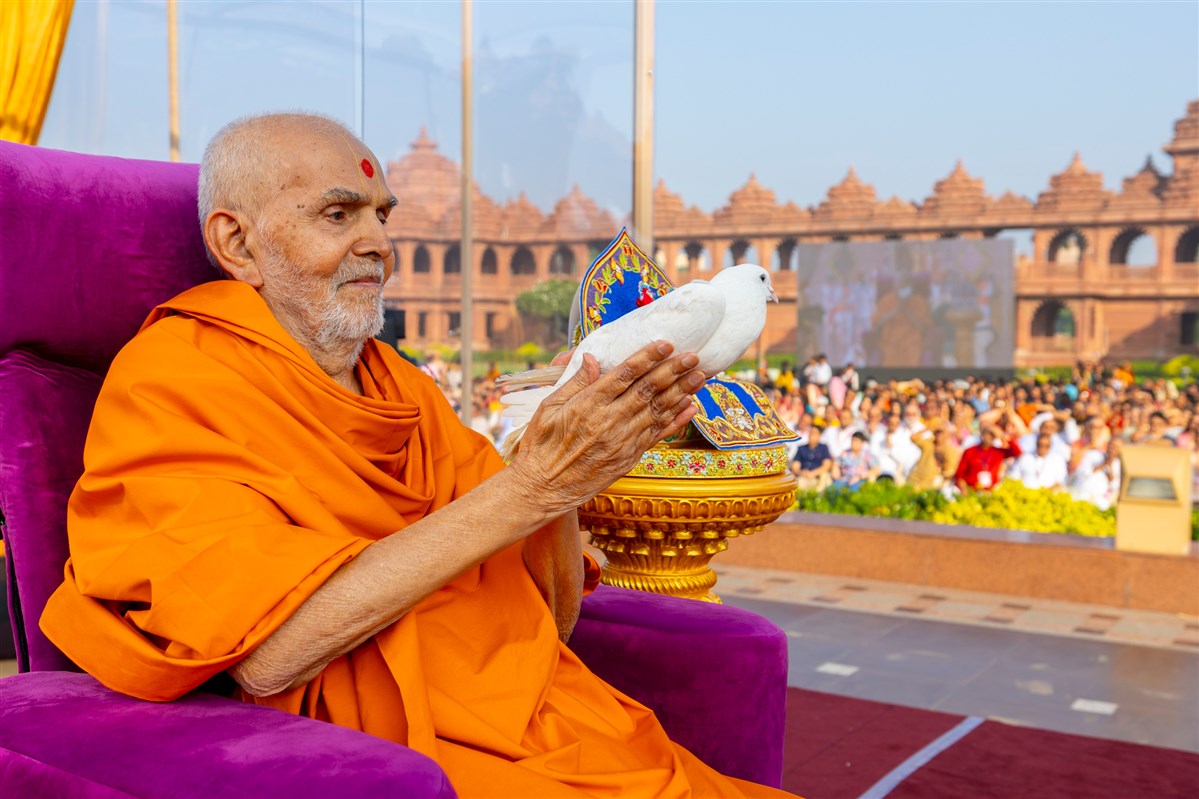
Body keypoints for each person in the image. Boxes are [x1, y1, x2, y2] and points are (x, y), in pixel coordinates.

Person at [39, 113, 792, 798]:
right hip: (382, 746)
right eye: (339, 214)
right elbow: (269, 655)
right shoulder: (174, 376)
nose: (378, 243)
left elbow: (548, 621)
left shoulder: (400, 387)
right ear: (238, 243)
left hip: (554, 725)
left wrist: (568, 477)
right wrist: (532, 486)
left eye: (381, 215)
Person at [954, 424, 1020, 492]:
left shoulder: (998, 452)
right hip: (971, 489)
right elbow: (959, 474)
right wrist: (962, 486)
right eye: (988, 434)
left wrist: (1002, 436)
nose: (989, 437)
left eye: (992, 435)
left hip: (990, 491)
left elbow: (1017, 452)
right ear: (982, 434)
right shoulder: (970, 451)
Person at [790, 424, 833, 491]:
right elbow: (795, 466)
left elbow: (826, 465)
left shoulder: (824, 448)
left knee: (825, 476)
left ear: (819, 436)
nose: (811, 435)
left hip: (818, 476)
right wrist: (801, 472)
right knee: (798, 483)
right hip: (804, 476)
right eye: (811, 433)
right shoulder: (802, 448)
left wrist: (813, 473)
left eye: (814, 433)